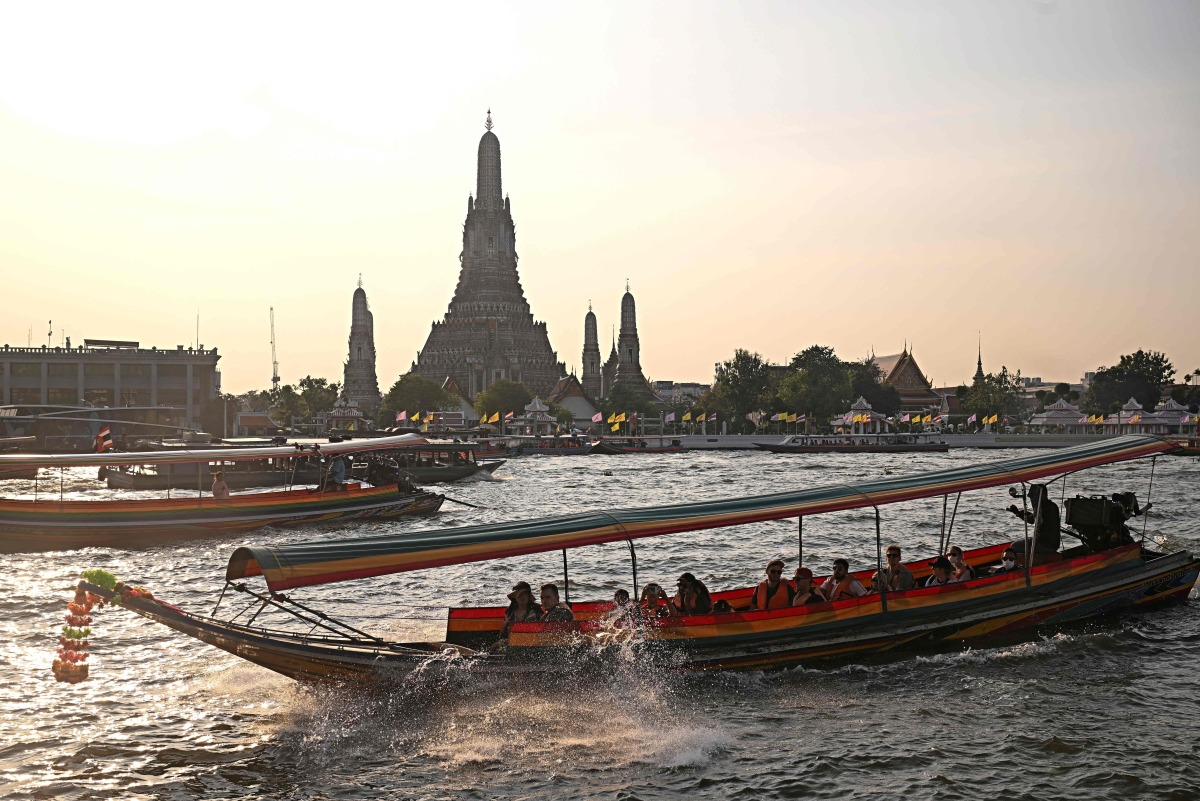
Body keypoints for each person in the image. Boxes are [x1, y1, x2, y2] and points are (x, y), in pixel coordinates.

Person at [1007, 484, 1061, 555]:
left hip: (1045, 544)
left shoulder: (1045, 508)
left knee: (1014, 546)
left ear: (1043, 495)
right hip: (1046, 543)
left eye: (1034, 497)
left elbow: (1033, 519)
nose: (1033, 499)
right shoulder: (1049, 506)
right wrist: (1018, 512)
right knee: (1018, 544)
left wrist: (1019, 513)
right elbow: (1033, 518)